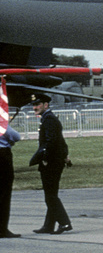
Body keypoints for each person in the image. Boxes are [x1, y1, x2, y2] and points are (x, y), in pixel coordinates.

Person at [28, 94, 71, 234]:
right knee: (51, 194)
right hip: (55, 161)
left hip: (51, 163)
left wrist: (45, 158)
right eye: (34, 105)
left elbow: (51, 142)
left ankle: (64, 223)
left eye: (38, 104)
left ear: (46, 105)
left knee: (50, 196)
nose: (35, 107)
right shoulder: (48, 118)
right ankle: (48, 225)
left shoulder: (49, 120)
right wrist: (65, 156)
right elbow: (61, 141)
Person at [0, 120, 20, 238]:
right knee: (4, 193)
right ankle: (2, 228)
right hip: (2, 155)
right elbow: (16, 136)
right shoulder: (2, 123)